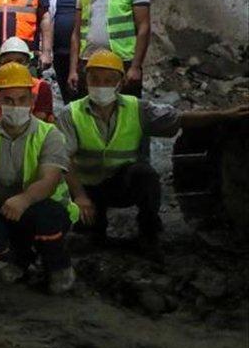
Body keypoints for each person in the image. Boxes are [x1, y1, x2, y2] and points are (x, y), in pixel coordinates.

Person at [59, 50, 247, 258]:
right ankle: (92, 228)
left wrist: (223, 115)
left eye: (108, 80)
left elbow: (179, 118)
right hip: (87, 187)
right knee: (86, 236)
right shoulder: (71, 113)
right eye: (95, 79)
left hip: (123, 182)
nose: (101, 85)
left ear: (120, 83)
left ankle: (148, 233)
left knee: (145, 175)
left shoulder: (138, 109)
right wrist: (80, 196)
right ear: (87, 81)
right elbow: (63, 158)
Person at [0, 62, 77, 294]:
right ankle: (21, 259)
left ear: (32, 101)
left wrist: (24, 199)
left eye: (22, 99)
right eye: (9, 100)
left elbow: (49, 180)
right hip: (5, 208)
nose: (16, 106)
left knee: (45, 217)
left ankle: (59, 266)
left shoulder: (49, 134)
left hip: (47, 208)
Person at [0, 37, 55, 127]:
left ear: (28, 63)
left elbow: (41, 119)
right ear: (1, 64)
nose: (14, 65)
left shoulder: (41, 88)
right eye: (8, 61)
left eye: (19, 61)